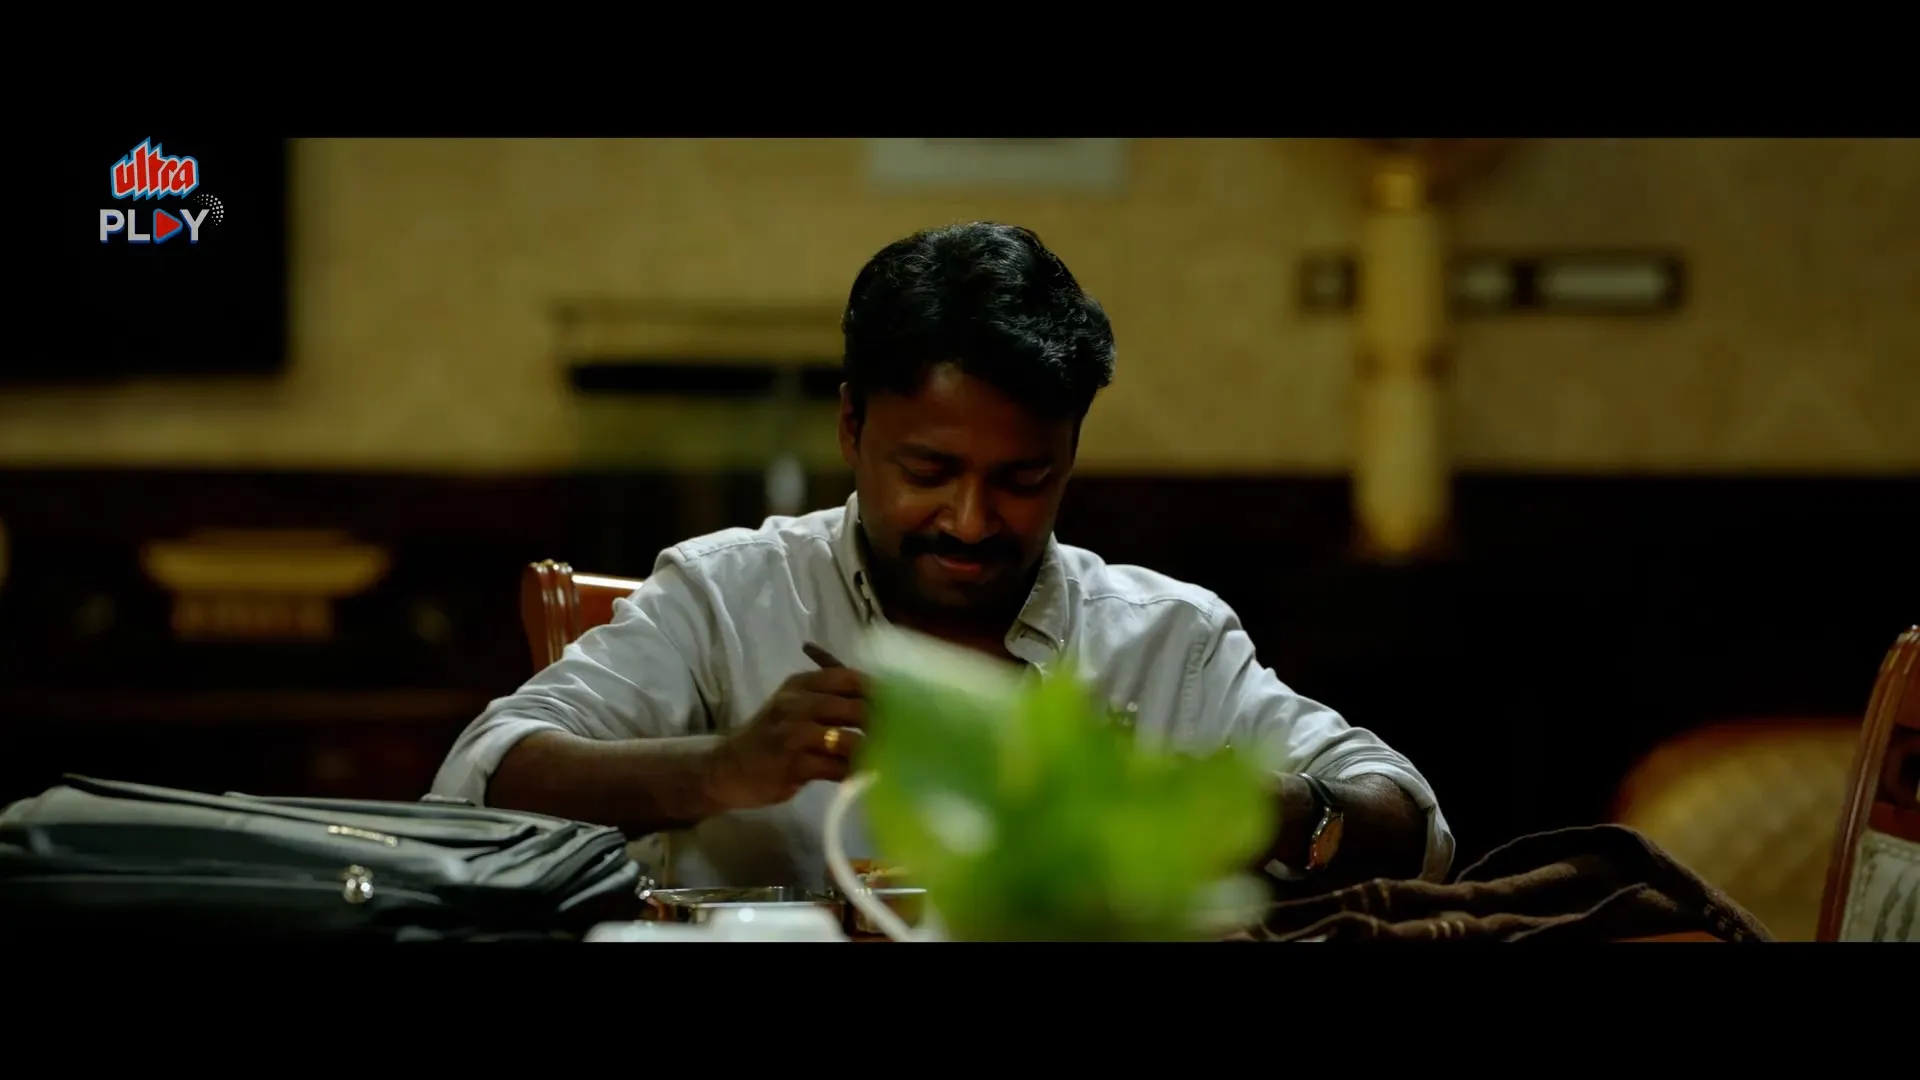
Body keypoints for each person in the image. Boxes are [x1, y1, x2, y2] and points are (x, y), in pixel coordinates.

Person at [431, 222, 1452, 891]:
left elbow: (1412, 827)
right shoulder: (726, 595)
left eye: (1023, 480)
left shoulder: (1163, 638)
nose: (970, 521)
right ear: (850, 429)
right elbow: (477, 782)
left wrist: (1231, 804)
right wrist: (724, 767)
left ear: (1070, 454)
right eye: (928, 471)